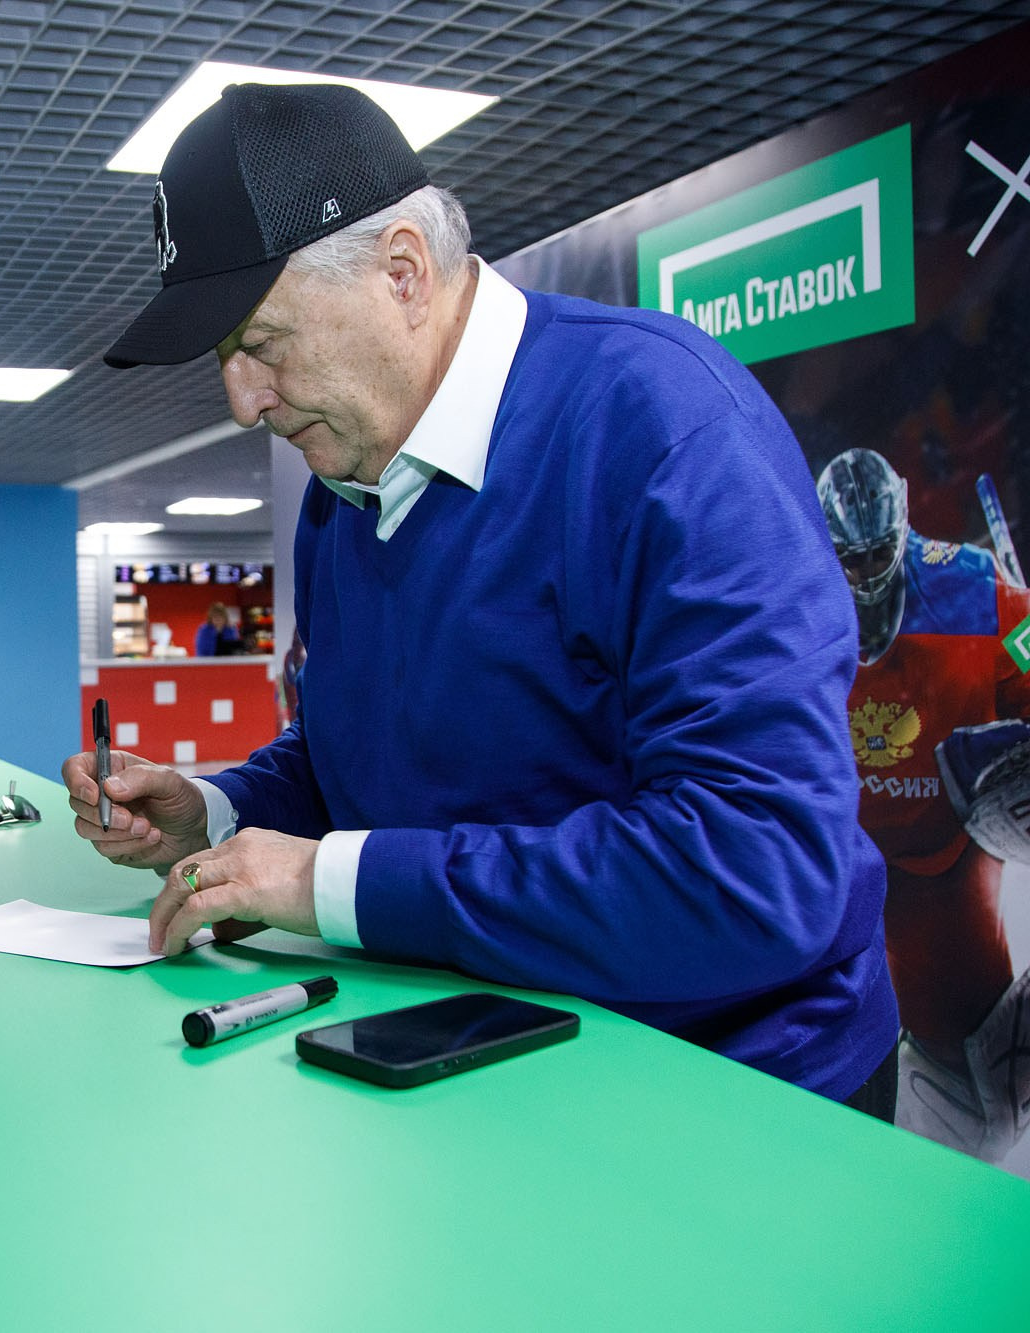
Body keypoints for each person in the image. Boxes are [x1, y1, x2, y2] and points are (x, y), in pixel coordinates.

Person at [66, 82, 897, 1110]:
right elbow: (371, 760)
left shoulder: (662, 430)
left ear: (402, 271)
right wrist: (219, 812)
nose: (242, 402)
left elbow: (756, 870)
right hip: (494, 1056)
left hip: (739, 1087)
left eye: (260, 342)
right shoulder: (344, 490)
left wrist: (330, 885)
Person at [816, 446, 1030, 1159]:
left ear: (903, 529)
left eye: (879, 553)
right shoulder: (791, 604)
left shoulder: (972, 588)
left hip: (956, 853)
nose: (866, 575)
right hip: (855, 868)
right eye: (850, 558)